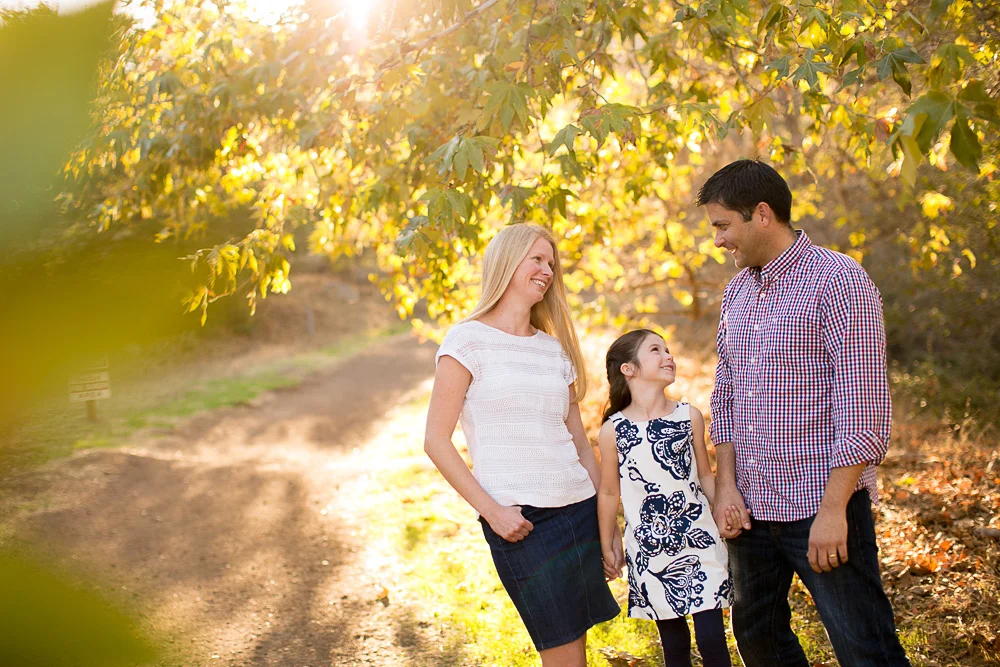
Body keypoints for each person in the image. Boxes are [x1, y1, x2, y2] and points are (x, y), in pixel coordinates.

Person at [698, 159, 911, 666]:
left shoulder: (838, 280)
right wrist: (726, 487)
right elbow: (725, 396)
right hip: (750, 509)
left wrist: (835, 510)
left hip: (821, 505)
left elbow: (865, 412)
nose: (717, 241)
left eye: (723, 226)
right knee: (758, 640)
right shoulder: (738, 291)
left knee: (865, 648)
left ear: (763, 214)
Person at [423, 223, 620, 667]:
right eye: (537, 259)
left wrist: (608, 525)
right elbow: (436, 441)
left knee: (577, 652)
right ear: (507, 262)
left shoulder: (554, 350)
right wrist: (493, 512)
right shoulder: (467, 340)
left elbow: (580, 446)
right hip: (521, 522)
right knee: (562, 655)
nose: (547, 270)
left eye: (551, 263)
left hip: (578, 511)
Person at [597, 329, 734, 667]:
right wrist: (607, 543)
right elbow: (609, 491)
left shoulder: (688, 416)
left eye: (668, 349)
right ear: (628, 369)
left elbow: (704, 474)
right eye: (656, 350)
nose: (668, 356)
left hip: (698, 537)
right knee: (674, 646)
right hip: (649, 547)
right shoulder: (613, 430)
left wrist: (719, 513)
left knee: (712, 639)